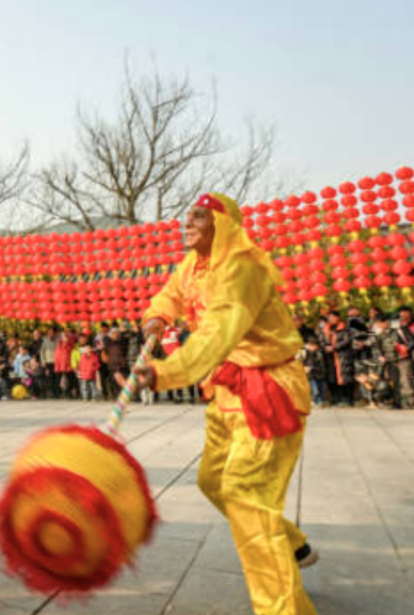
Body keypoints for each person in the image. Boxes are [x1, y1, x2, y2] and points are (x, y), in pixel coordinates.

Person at [126, 193, 318, 615]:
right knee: (213, 481)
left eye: (198, 217)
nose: (187, 224)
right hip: (225, 392)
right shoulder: (193, 264)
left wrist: (164, 373)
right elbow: (171, 293)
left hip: (267, 392)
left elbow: (216, 335)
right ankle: (292, 543)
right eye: (187, 217)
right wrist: (157, 315)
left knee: (246, 495)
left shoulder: (242, 268)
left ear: (224, 225)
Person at [300, 337, 328, 407]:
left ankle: (320, 401)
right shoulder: (303, 351)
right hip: (310, 374)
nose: (315, 348)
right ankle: (316, 401)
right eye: (314, 346)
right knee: (314, 389)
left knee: (321, 388)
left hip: (319, 373)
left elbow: (321, 363)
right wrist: (303, 368)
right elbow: (297, 361)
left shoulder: (319, 352)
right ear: (310, 345)